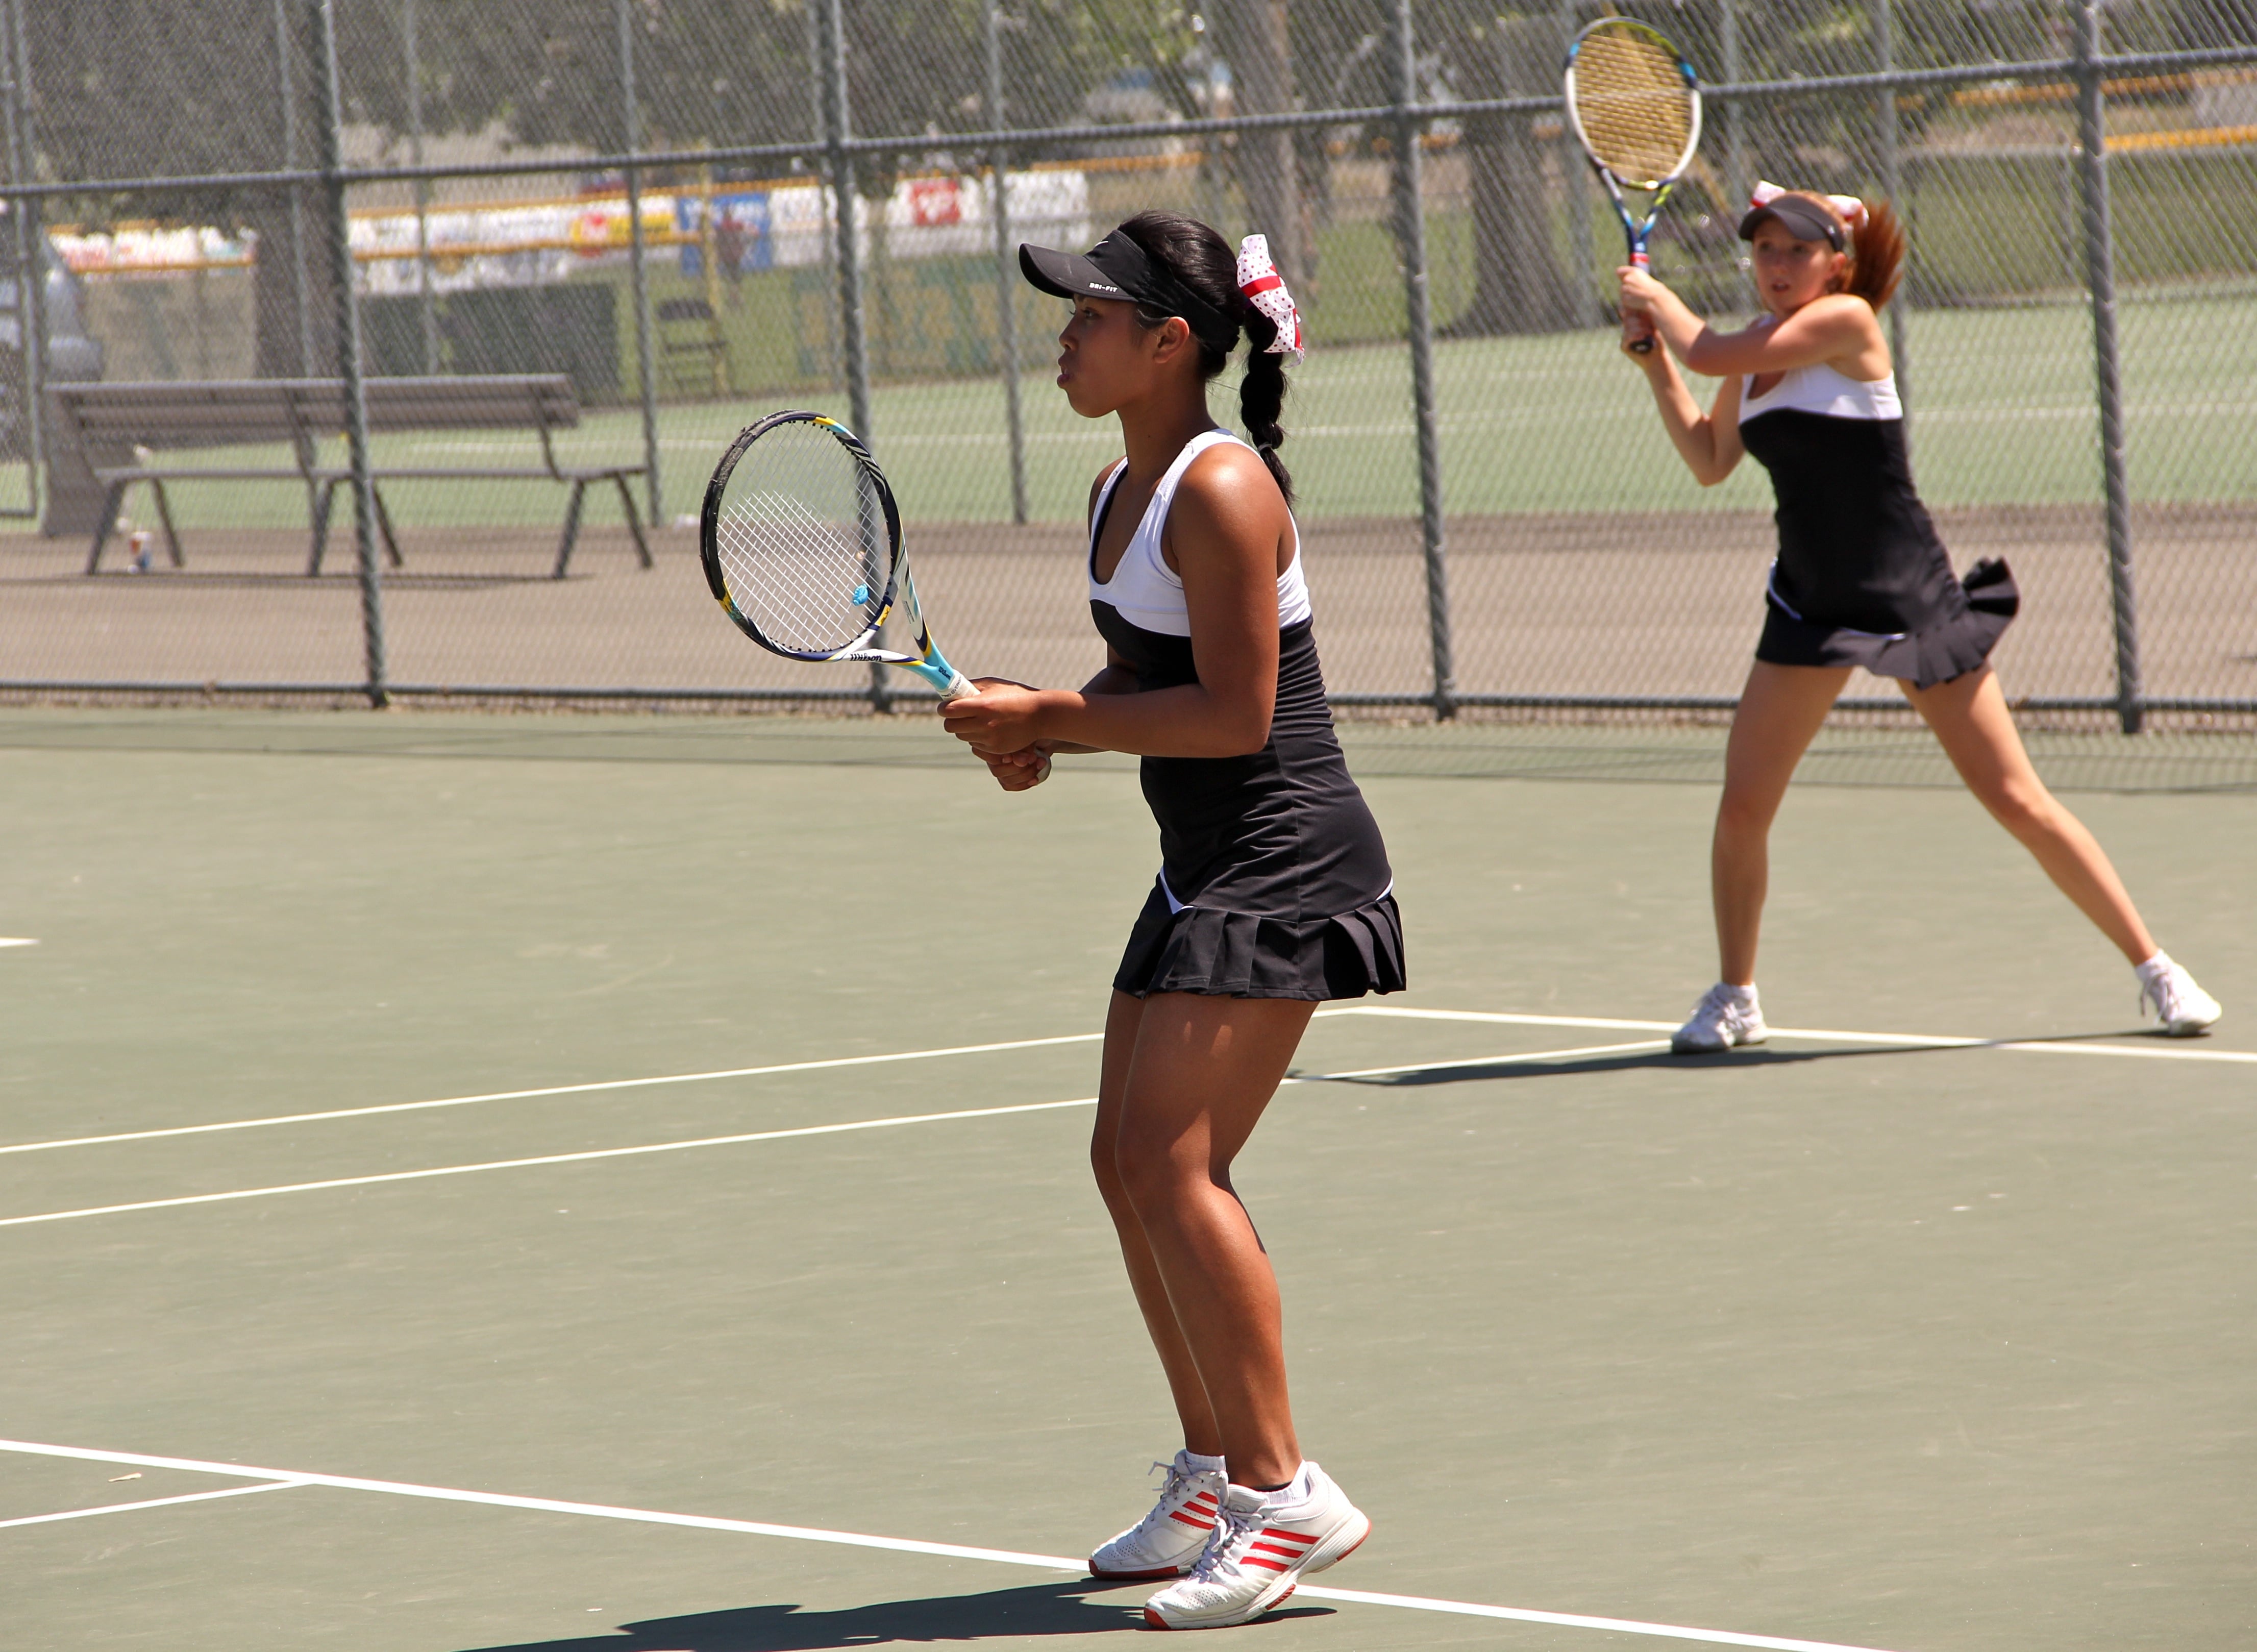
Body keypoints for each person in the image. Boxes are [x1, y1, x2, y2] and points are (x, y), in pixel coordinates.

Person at [938, 211, 1399, 1630]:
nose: (1064, 336)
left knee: (1175, 1160)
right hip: (1201, 854)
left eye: (1088, 315)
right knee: (1122, 1158)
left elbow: (1240, 712)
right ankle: (1209, 1473)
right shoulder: (1114, 489)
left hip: (1285, 855)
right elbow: (1145, 671)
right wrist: (1043, 728)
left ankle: (1281, 1492)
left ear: (1168, 343)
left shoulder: (1224, 487)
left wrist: (1056, 721)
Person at [1618, 182, 2222, 1054]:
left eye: (1797, 250)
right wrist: (1656, 367)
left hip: (1907, 596)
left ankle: (2157, 968)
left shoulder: (1849, 325)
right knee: (1743, 804)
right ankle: (1736, 994)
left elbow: (1706, 345)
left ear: (1838, 265)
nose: (1778, 265)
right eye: (1765, 250)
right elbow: (1711, 458)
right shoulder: (1749, 360)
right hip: (1809, 601)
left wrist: (1664, 310)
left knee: (2016, 798)